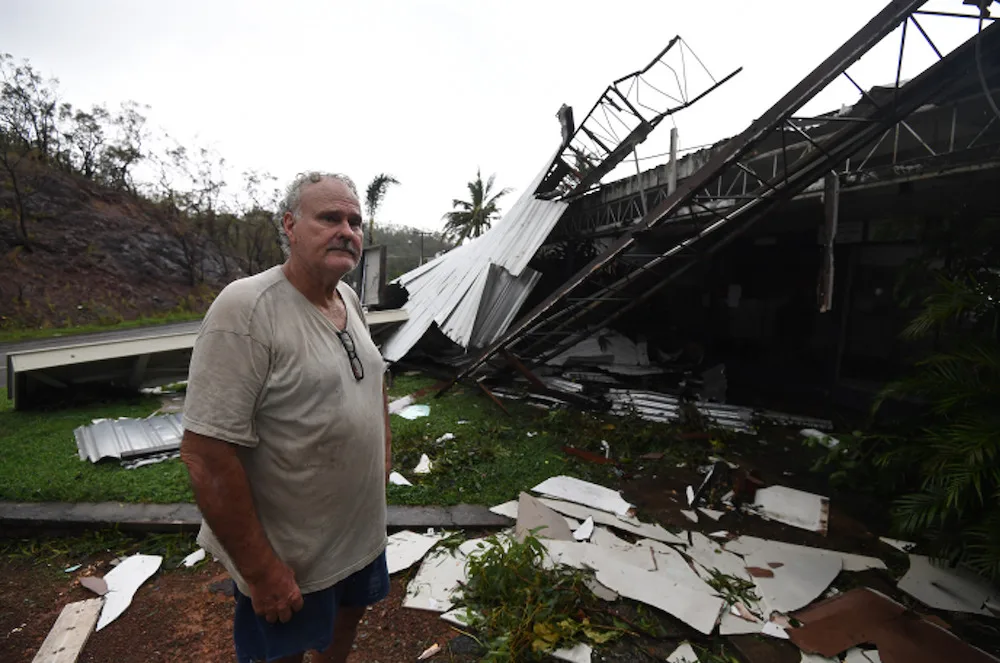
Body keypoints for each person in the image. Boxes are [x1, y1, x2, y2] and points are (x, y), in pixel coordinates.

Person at [180, 172, 392, 663]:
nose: (347, 230)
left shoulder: (349, 301)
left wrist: (380, 463)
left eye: (356, 222)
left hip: (357, 539)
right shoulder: (248, 309)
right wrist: (261, 572)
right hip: (292, 560)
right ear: (291, 226)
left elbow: (374, 379)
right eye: (330, 218)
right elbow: (205, 455)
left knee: (337, 644)